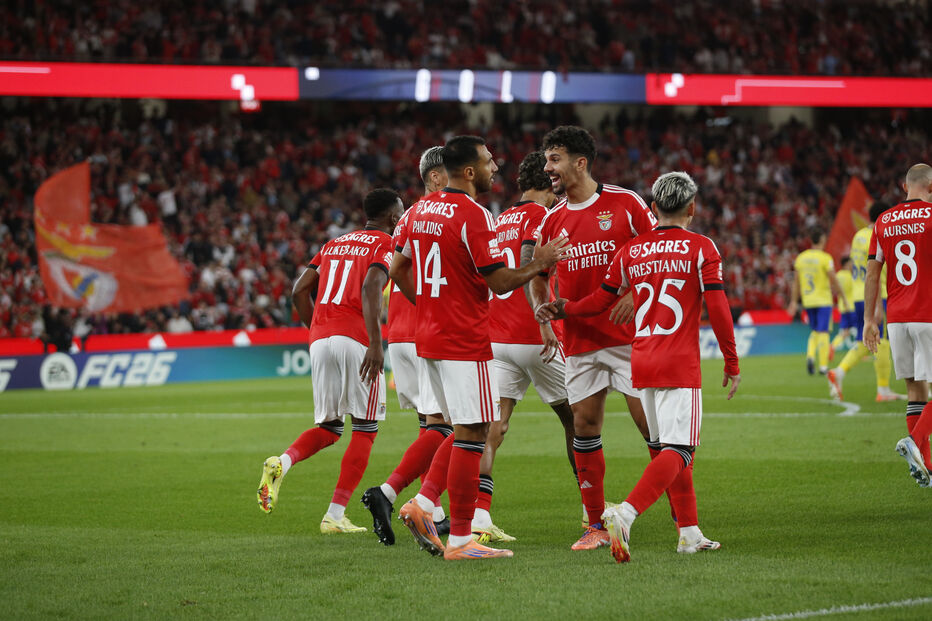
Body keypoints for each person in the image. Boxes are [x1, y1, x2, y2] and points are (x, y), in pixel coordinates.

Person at [542, 171, 740, 563]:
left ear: (653, 209)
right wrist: (731, 360)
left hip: (642, 358)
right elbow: (717, 308)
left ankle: (689, 533)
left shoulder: (631, 252)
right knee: (680, 450)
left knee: (668, 447)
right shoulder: (702, 248)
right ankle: (625, 513)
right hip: (678, 361)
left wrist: (566, 308)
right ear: (692, 208)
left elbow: (599, 300)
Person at [389, 135, 570, 560]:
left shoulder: (419, 210)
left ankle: (426, 503)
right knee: (475, 431)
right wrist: (538, 264)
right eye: (489, 162)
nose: (494, 168)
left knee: (465, 429)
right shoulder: (474, 214)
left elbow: (397, 269)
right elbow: (499, 282)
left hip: (428, 337)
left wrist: (430, 305)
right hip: (463, 338)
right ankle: (459, 538)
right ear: (469, 171)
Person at [527, 125, 661, 552]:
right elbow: (538, 275)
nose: (547, 168)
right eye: (547, 159)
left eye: (555, 159)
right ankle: (595, 526)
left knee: (653, 430)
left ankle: (683, 516)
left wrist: (638, 294)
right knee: (584, 426)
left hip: (628, 340)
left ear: (580, 163)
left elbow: (660, 254)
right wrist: (544, 317)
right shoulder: (552, 219)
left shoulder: (625, 203)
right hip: (580, 340)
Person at [256, 188, 403, 533]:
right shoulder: (385, 244)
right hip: (356, 338)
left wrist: (320, 330)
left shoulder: (332, 244)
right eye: (401, 214)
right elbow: (371, 288)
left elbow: (298, 291)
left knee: (330, 427)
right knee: (365, 429)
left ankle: (283, 461)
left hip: (320, 338)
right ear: (394, 218)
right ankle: (334, 515)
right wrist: (376, 344)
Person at [474, 151, 576, 543]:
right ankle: (592, 509)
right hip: (537, 334)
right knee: (577, 421)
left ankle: (481, 516)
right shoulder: (545, 217)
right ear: (548, 183)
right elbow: (534, 262)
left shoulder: (499, 219)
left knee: (493, 428)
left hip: (497, 337)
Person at [361, 147, 452, 546]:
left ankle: (436, 511)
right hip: (424, 334)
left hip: (402, 335)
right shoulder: (442, 216)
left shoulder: (409, 219)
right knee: (454, 427)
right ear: (435, 177)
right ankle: (391, 493)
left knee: (430, 427)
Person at [864, 163, 932, 486]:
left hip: (898, 319)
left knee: (916, 392)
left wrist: (869, 319)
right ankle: (915, 442)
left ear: (906, 188)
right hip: (928, 314)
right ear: (929, 188)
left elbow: (873, 272)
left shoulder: (882, 221)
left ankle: (926, 466)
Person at [827, 202, 905, 402]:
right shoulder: (879, 234)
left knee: (867, 339)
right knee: (883, 341)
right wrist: (878, 305)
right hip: (878, 295)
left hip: (858, 295)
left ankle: (840, 372)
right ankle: (883, 390)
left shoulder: (858, 236)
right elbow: (875, 272)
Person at [787, 229, 847, 375]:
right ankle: (823, 366)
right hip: (823, 300)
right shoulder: (825, 258)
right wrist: (842, 296)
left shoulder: (801, 258)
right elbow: (833, 278)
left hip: (808, 301)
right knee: (824, 332)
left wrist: (794, 301)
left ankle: (810, 356)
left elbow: (796, 282)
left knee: (815, 331)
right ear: (821, 240)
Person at [829, 256, 856, 356]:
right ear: (846, 264)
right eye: (850, 263)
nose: (852, 265)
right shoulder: (851, 276)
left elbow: (834, 290)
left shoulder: (838, 275)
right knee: (859, 329)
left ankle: (832, 345)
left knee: (845, 331)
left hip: (843, 307)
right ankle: (860, 352)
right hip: (852, 306)